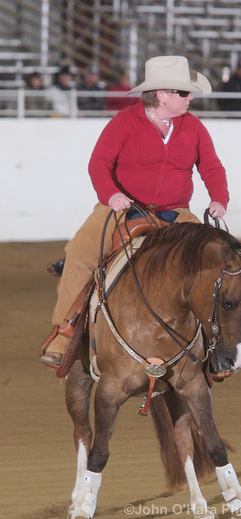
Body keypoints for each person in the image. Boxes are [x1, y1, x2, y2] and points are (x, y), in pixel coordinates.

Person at [41, 55, 229, 368]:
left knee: (212, 262)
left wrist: (219, 198)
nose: (191, 98)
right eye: (185, 93)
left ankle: (213, 346)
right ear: (162, 95)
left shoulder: (194, 127)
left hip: (176, 212)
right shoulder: (124, 121)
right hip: (120, 207)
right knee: (80, 254)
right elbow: (99, 164)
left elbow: (211, 166)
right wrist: (111, 194)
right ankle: (64, 332)